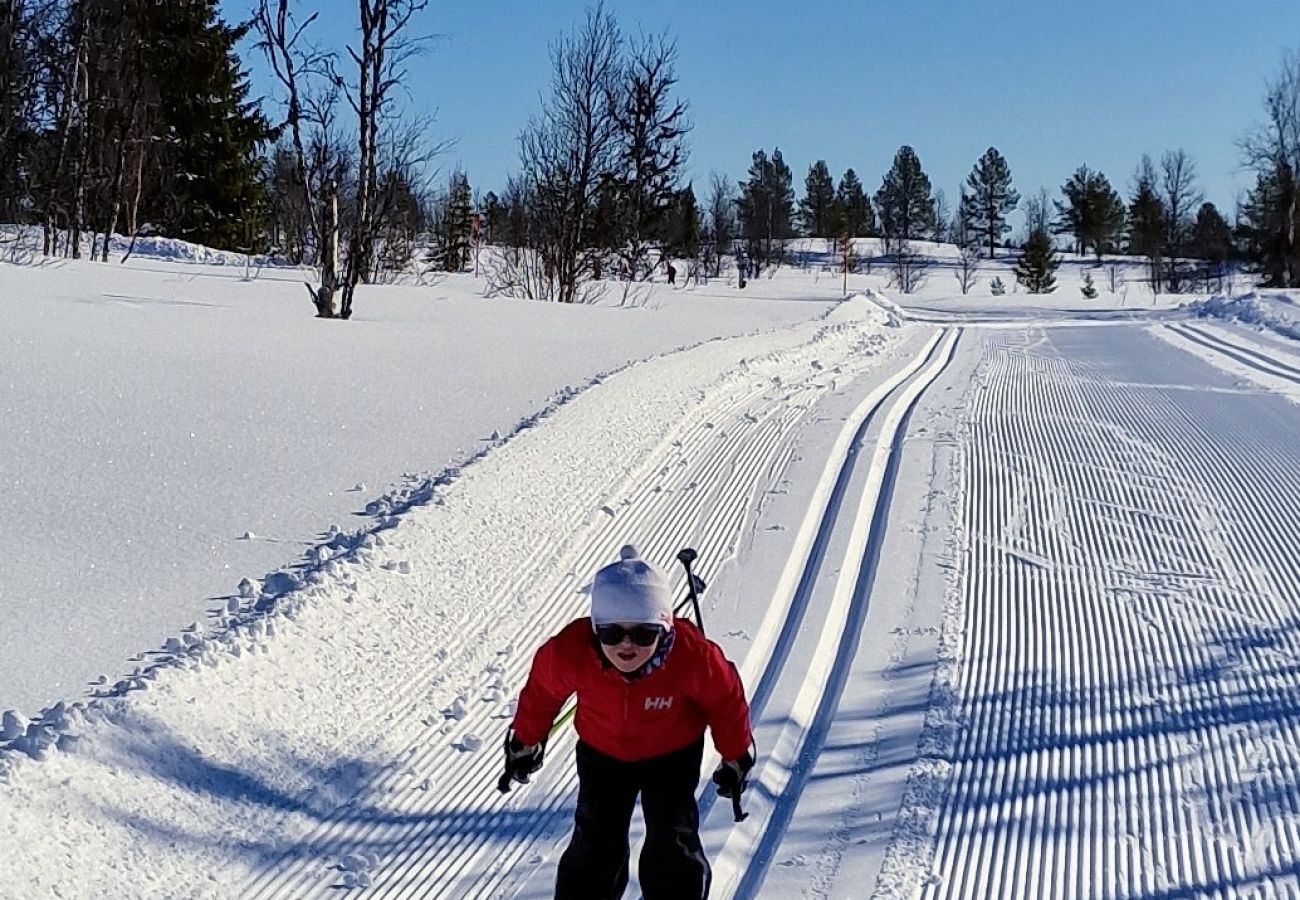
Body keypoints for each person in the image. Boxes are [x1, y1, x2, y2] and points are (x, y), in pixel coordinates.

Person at [500, 545, 755, 900]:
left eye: (643, 634)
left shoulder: (692, 656)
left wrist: (736, 755)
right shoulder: (571, 652)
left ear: (664, 627)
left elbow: (725, 700)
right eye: (612, 634)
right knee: (596, 836)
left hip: (672, 753)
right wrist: (525, 741)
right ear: (595, 628)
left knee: (672, 837)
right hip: (603, 753)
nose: (627, 646)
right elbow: (541, 694)